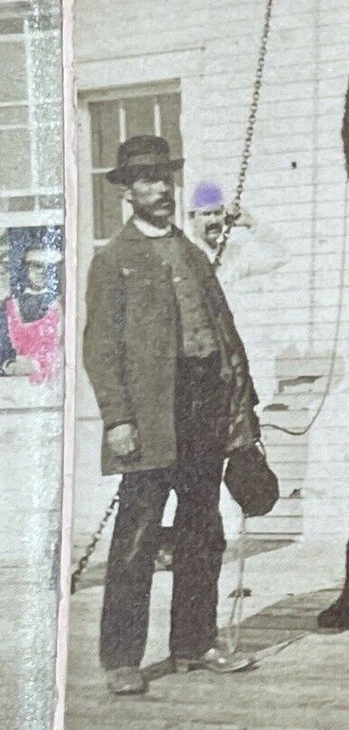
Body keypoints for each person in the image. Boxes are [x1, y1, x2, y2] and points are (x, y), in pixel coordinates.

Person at [82, 134, 260, 696]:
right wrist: (118, 418)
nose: (159, 188)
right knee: (136, 537)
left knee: (203, 528)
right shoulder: (113, 261)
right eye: (146, 180)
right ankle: (121, 657)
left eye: (164, 178)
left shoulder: (190, 252)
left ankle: (194, 643)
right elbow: (99, 350)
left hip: (206, 402)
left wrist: (241, 408)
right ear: (127, 192)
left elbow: (225, 334)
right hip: (151, 412)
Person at [188, 179, 288, 407]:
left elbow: (280, 255)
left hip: (232, 356)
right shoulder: (186, 256)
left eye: (217, 213)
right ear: (192, 218)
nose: (213, 221)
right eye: (205, 215)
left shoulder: (234, 257)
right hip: (199, 359)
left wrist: (252, 224)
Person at [0, 242, 63, 384]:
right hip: (13, 384)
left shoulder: (60, 305)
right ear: (25, 269)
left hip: (53, 382)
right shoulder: (10, 307)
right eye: (35, 265)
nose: (41, 272)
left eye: (47, 266)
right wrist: (8, 365)